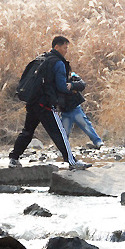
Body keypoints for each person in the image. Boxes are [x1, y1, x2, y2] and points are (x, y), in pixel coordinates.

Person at [8, 36, 92, 170]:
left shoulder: (42, 58)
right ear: (57, 47)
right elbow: (61, 87)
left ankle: (13, 159)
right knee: (60, 133)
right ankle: (72, 162)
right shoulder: (58, 63)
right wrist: (74, 86)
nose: (66, 51)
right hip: (46, 105)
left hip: (33, 103)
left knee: (27, 131)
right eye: (65, 48)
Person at [59, 72, 104, 149]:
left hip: (75, 108)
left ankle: (98, 142)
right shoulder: (56, 80)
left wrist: (72, 85)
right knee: (64, 132)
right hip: (64, 111)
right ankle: (63, 147)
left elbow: (82, 84)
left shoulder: (73, 76)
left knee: (86, 125)